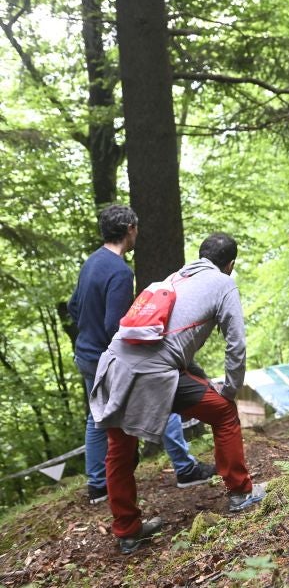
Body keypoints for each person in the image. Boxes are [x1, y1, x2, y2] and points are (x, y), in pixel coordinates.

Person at [89, 233, 263, 553]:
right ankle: (241, 493)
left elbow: (171, 341)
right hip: (153, 374)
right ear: (230, 264)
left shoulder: (174, 278)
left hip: (114, 364)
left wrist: (199, 377)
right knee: (224, 412)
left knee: (119, 450)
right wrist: (230, 389)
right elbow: (236, 344)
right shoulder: (223, 283)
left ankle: (127, 532)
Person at [67, 205, 213, 506]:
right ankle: (185, 469)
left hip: (86, 353)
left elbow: (73, 306)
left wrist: (88, 331)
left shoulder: (91, 262)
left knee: (97, 416)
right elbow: (115, 324)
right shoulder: (120, 271)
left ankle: (97, 486)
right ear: (130, 229)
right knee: (159, 398)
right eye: (136, 228)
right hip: (109, 358)